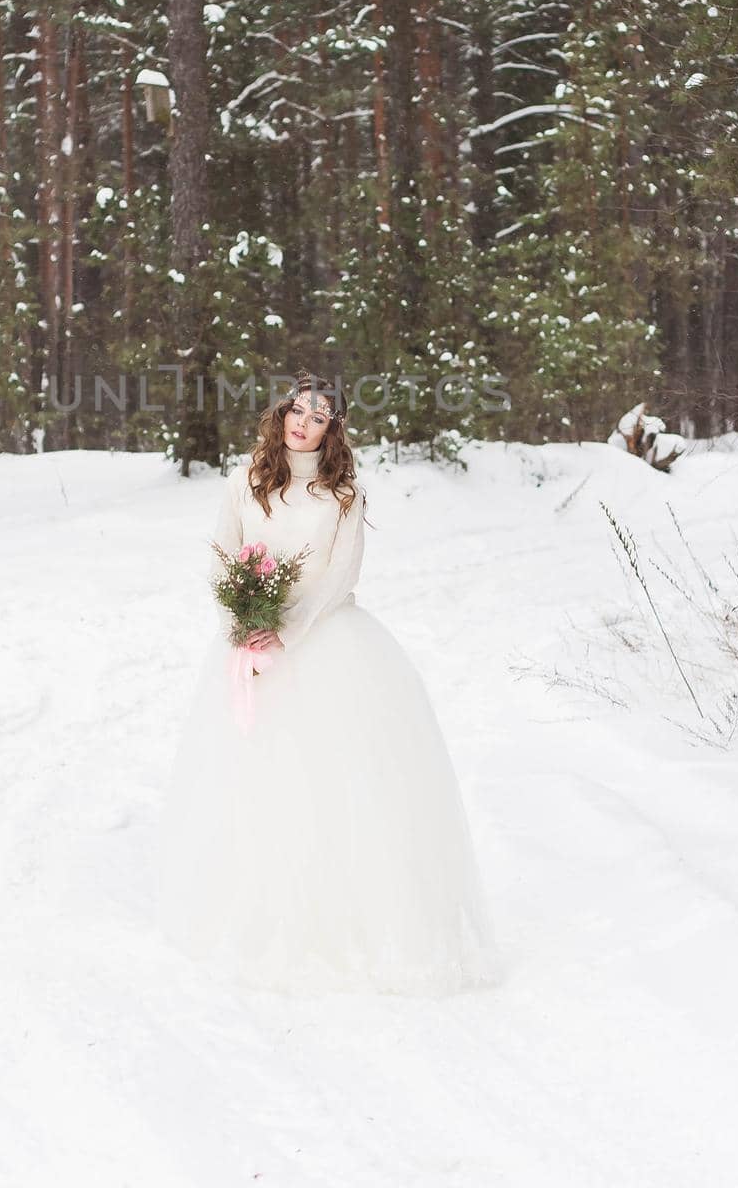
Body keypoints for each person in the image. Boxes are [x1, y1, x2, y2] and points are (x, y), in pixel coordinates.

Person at [155, 371, 496, 996]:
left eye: (318, 416)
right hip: (251, 642)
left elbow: (341, 575)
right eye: (297, 410)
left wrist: (287, 630)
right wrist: (245, 620)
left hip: (326, 644)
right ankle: (253, 908)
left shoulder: (343, 494)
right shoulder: (248, 478)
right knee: (255, 780)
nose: (302, 423)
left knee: (335, 783)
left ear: (332, 428)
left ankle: (344, 920)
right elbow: (223, 554)